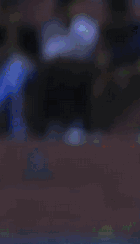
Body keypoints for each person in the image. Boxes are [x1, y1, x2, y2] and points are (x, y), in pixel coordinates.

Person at [36, 0, 100, 145]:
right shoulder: (50, 26)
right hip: (55, 72)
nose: (67, 10)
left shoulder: (85, 25)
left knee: (80, 74)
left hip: (81, 72)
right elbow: (47, 54)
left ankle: (77, 124)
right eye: (63, 7)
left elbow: (87, 50)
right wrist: (68, 54)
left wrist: (64, 53)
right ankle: (54, 124)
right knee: (53, 74)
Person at [90, 0, 140, 136]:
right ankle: (97, 123)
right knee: (97, 78)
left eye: (120, 12)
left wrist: (128, 71)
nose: (118, 16)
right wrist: (110, 71)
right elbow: (100, 58)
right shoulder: (106, 32)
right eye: (114, 12)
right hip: (112, 74)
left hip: (136, 72)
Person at [0, 0, 40, 139]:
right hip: (1, 76)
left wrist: (16, 48)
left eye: (15, 12)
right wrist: (1, 55)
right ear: (2, 14)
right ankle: (17, 126)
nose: (12, 17)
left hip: (29, 72)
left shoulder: (29, 33)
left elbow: (37, 61)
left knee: (18, 63)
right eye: (9, 13)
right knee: (15, 81)